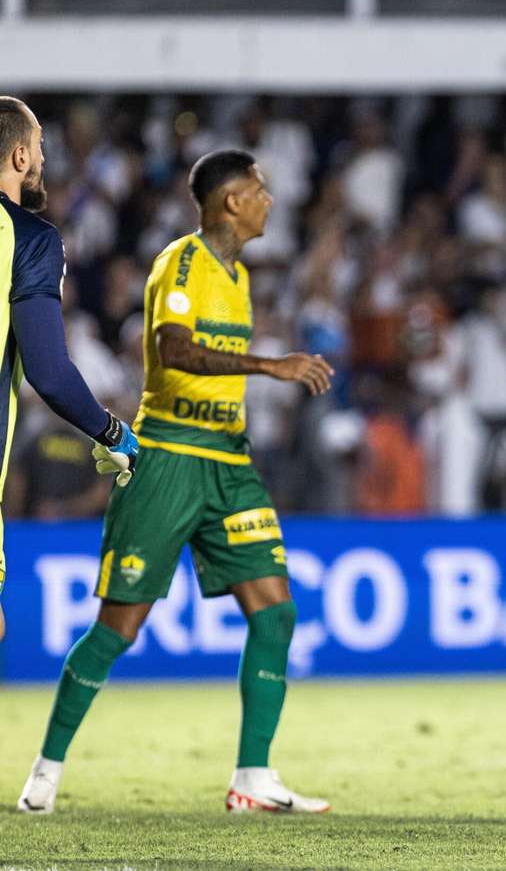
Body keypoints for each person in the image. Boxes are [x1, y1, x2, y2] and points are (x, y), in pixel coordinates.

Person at [18, 149, 335, 815]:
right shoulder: (181, 261)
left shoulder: (239, 276)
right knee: (119, 628)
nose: (269, 202)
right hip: (167, 459)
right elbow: (177, 350)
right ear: (230, 201)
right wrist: (272, 366)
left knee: (276, 613)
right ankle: (45, 770)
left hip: (229, 463)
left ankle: (253, 777)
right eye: (259, 191)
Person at [0, 97, 138, 642]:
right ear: (17, 156)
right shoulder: (30, 240)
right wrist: (112, 432)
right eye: (37, 149)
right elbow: (49, 372)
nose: (41, 162)